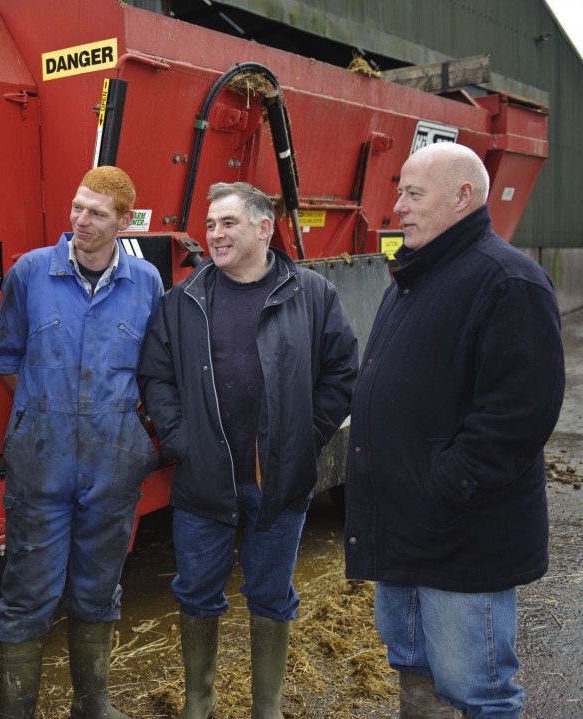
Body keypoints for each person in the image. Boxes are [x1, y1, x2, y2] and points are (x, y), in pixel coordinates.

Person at [344, 142, 566, 718]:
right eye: (401, 193)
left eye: (414, 194)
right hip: (406, 528)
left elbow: (515, 420)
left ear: (462, 196)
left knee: (480, 690)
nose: (399, 208)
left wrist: (445, 484)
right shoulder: (414, 277)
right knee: (414, 669)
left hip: (462, 538)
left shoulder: (507, 281)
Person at [137, 181, 359, 719]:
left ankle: (267, 708)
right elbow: (156, 375)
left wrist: (306, 436)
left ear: (265, 227)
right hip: (204, 478)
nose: (215, 234)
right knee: (196, 592)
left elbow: (343, 370)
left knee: (272, 594)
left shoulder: (312, 294)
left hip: (279, 480)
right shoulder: (184, 299)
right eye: (211, 224)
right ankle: (198, 703)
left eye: (228, 223)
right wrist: (180, 438)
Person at [0, 166, 164, 719]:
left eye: (95, 213)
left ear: (124, 221)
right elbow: (8, 362)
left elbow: (154, 370)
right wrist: (47, 415)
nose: (80, 220)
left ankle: (92, 703)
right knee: (28, 595)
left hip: (114, 460)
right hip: (41, 460)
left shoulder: (147, 283)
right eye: (76, 207)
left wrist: (117, 427)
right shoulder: (30, 274)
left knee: (99, 587)